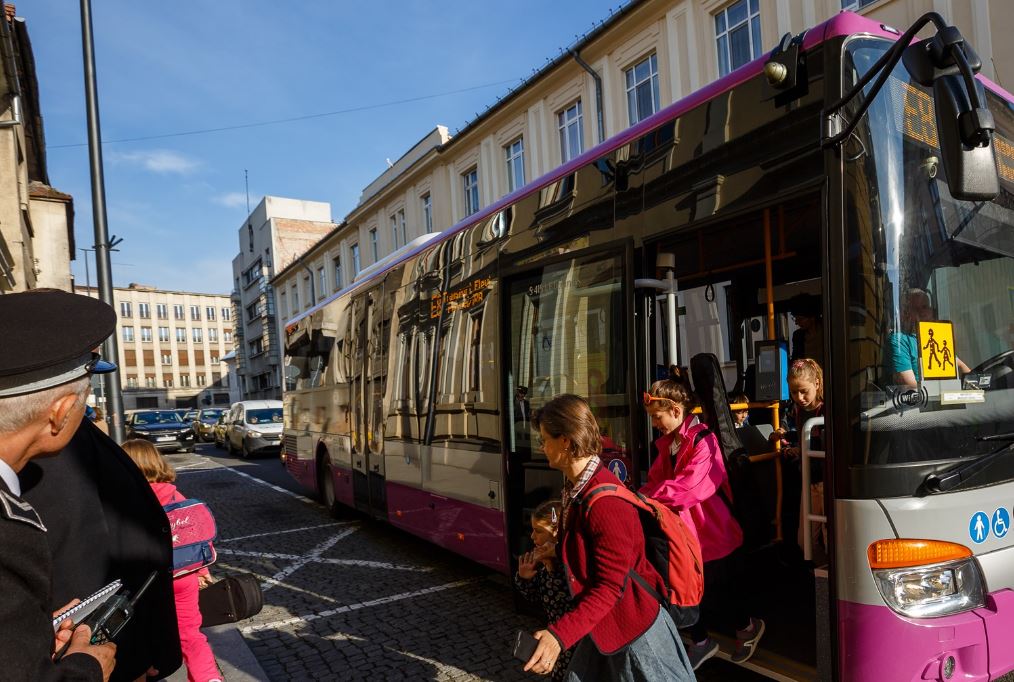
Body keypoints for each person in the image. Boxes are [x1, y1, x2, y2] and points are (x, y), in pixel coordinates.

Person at [523, 394, 694, 681]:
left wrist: (557, 637)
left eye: (544, 438)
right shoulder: (577, 488)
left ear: (565, 440)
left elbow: (609, 587)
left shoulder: (604, 502)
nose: (542, 446)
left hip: (637, 634)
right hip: (605, 628)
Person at [0, 289, 120, 681]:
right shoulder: (8, 532)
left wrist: (28, 636)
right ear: (60, 414)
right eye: (83, 402)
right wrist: (87, 669)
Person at [640, 379, 765, 671]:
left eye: (656, 417)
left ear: (674, 409)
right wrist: (638, 495)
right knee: (696, 589)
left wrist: (643, 498)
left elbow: (689, 487)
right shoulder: (672, 442)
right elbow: (659, 480)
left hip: (714, 529)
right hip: (692, 531)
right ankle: (702, 640)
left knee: (722, 589)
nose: (655, 424)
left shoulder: (703, 439)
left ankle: (746, 628)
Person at [120, 439, 221, 682]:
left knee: (141, 632)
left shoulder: (123, 497)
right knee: (190, 634)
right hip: (183, 575)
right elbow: (193, 537)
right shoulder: (174, 494)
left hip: (144, 581)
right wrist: (201, 572)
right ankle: (209, 679)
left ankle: (149, 667)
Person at [770, 359, 826, 556]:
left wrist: (799, 448)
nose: (799, 397)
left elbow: (820, 442)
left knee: (828, 537)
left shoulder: (824, 410)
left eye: (804, 391)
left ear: (817, 384)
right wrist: (786, 436)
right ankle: (818, 573)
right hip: (809, 480)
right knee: (805, 541)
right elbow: (803, 435)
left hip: (825, 481)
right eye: (794, 392)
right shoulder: (799, 410)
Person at [515, 500, 571, 681]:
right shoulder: (543, 564)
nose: (532, 536)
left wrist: (551, 568)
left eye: (538, 531)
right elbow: (536, 598)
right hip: (558, 641)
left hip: (573, 641)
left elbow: (568, 601)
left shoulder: (570, 565)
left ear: (556, 532)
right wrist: (525, 579)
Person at [886, 289, 970, 387]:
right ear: (906, 313)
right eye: (915, 308)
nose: (921, 312)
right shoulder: (899, 340)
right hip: (919, 401)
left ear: (931, 310)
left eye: (924, 307)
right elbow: (910, 385)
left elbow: (966, 372)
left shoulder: (938, 335)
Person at [788, 294, 825, 370]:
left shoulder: (827, 330)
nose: (796, 322)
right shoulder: (798, 336)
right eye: (795, 318)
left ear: (812, 317)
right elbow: (796, 361)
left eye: (800, 319)